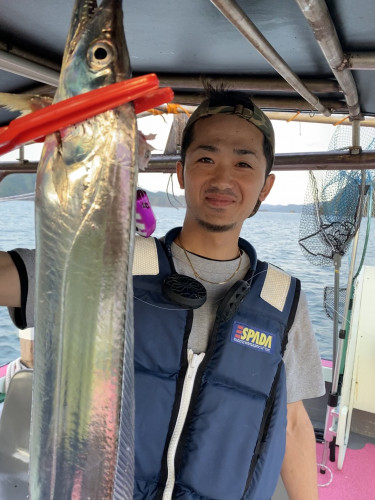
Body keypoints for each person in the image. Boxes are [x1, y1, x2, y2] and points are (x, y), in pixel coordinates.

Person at [0, 86, 325, 499]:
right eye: (205, 158)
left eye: (244, 163)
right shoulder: (114, 264)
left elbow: (293, 423)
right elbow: (10, 277)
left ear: (266, 186)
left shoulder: (283, 299)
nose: (222, 178)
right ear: (181, 172)